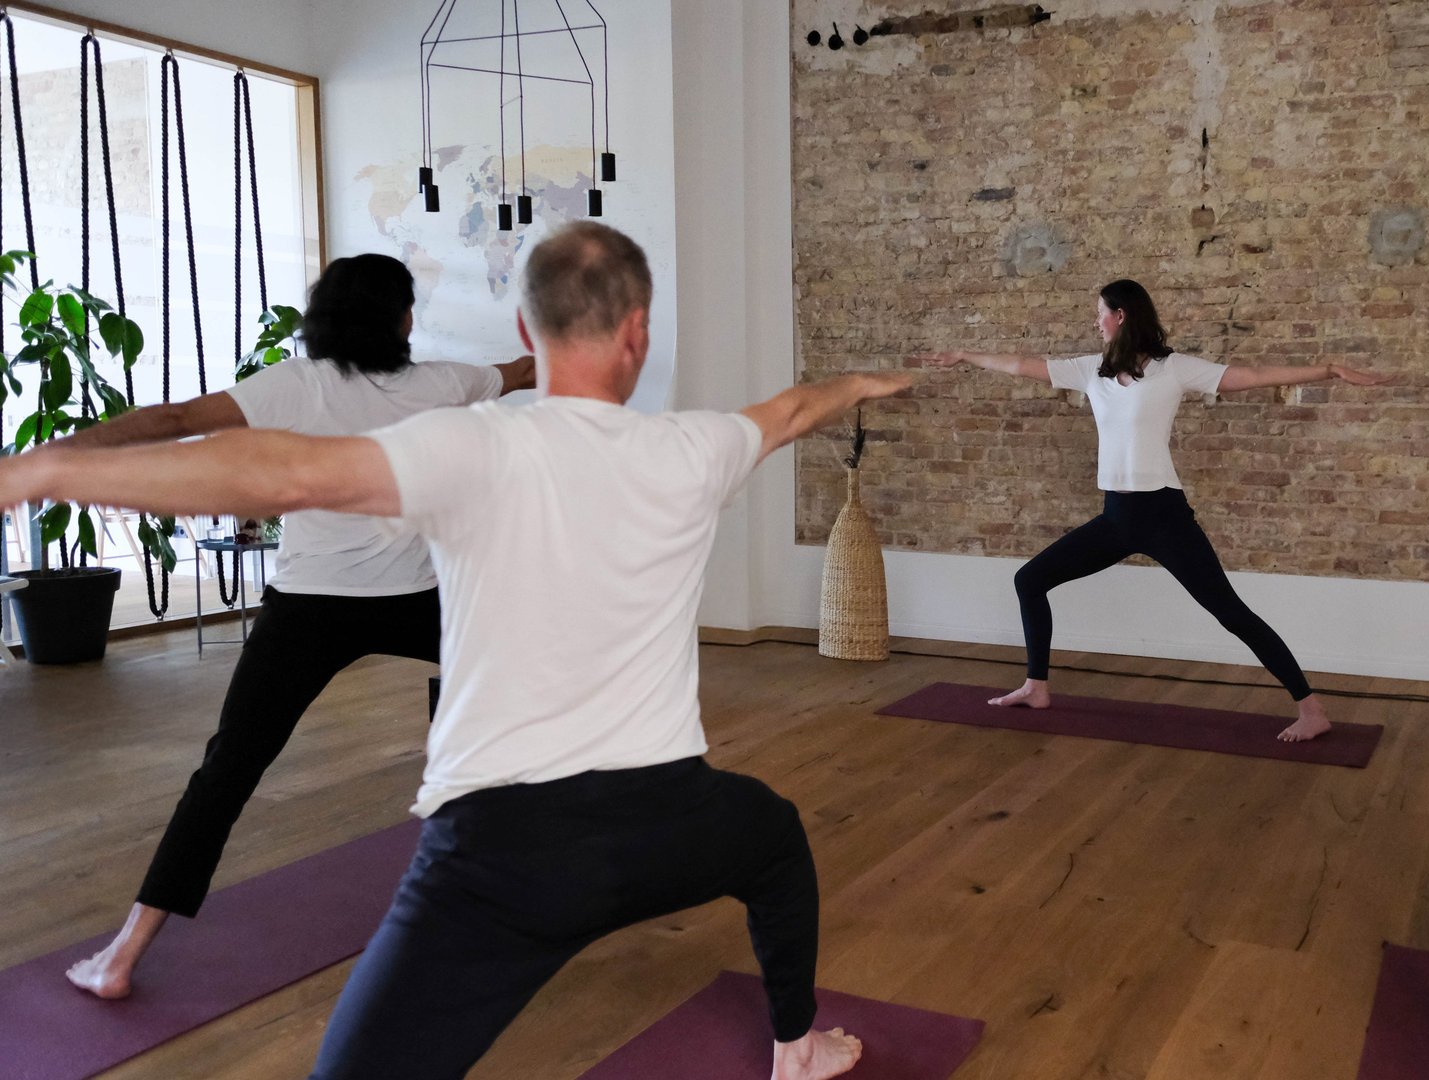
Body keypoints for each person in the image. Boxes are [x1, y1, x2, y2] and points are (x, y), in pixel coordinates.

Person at [2, 221, 905, 1080]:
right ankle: (797, 1050)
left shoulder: (464, 437)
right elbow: (794, 409)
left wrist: (47, 468)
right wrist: (862, 382)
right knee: (773, 837)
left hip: (498, 847)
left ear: (525, 325)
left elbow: (280, 470)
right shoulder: (695, 442)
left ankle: (129, 948)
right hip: (668, 816)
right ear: (638, 331)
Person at [56, 253, 534, 1000]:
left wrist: (66, 454)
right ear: (402, 319)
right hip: (417, 600)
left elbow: (177, 420)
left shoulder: (294, 384)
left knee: (226, 773)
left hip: (310, 609)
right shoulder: (444, 384)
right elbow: (524, 371)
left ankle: (122, 956)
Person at [918, 279, 1389, 740]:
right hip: (1115, 519)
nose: (1096, 322)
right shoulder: (1092, 371)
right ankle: (1035, 686)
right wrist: (965, 355)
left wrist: (1328, 369)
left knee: (1230, 612)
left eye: (1100, 313)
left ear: (1120, 315)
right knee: (1030, 580)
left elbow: (1249, 377)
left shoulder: (1173, 369)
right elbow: (1021, 365)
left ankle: (1311, 710)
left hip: (1164, 517)